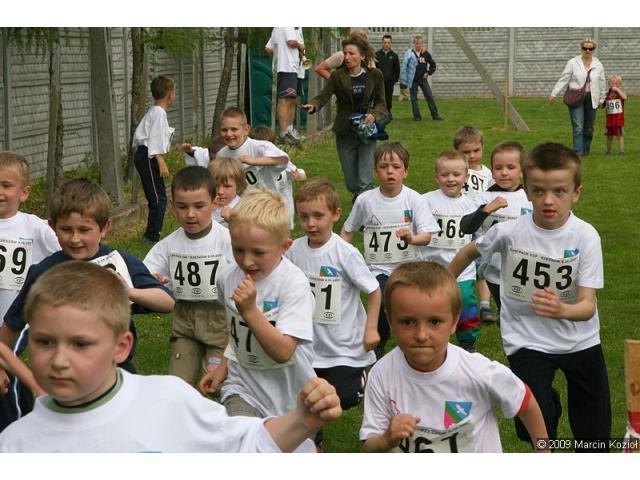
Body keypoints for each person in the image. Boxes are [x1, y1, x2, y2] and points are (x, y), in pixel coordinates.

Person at [0, 261, 342, 452]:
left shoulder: (168, 399)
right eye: (44, 342)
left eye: (80, 344)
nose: (59, 360)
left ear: (122, 347)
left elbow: (244, 447)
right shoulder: (16, 445)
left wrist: (303, 420)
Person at [448, 143, 611, 452]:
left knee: (595, 435)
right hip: (526, 339)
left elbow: (588, 306)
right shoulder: (510, 232)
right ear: (527, 190)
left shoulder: (586, 236)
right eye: (538, 191)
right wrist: (442, 286)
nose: (548, 200)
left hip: (580, 340)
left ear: (576, 192)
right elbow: (470, 251)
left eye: (559, 191)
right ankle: (548, 410)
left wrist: (562, 309)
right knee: (534, 425)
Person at [359, 261, 549, 453]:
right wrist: (386, 440)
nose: (421, 335)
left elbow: (524, 401)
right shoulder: (382, 374)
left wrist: (543, 451)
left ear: (454, 321)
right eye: (408, 322)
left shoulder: (479, 371)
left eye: (434, 322)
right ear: (390, 320)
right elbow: (369, 445)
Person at [0, 178, 175, 377]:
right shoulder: (44, 272)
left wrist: (128, 291)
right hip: (61, 370)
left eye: (84, 230)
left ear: (105, 227)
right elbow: (13, 324)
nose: (75, 239)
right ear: (52, 226)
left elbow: (167, 302)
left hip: (115, 368)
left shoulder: (120, 262)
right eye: (66, 229)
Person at [199, 190, 317, 451]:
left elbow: (284, 351)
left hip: (290, 394)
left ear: (285, 246)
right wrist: (222, 368)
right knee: (244, 448)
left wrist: (251, 311)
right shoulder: (227, 277)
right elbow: (234, 330)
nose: (247, 260)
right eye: (238, 249)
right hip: (243, 388)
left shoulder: (293, 284)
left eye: (258, 252)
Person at [286, 178, 381, 448]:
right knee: (309, 402)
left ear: (336, 214)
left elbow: (374, 290)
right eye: (304, 217)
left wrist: (371, 328)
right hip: (308, 345)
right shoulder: (293, 251)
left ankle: (359, 378)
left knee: (344, 398)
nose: (311, 224)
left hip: (343, 347)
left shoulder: (345, 253)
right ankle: (313, 445)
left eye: (318, 216)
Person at [340, 142, 439, 359]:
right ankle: (380, 340)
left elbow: (427, 235)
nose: (390, 172)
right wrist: (339, 254)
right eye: (384, 167)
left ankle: (413, 337)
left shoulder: (414, 199)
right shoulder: (365, 200)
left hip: (408, 268)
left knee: (409, 306)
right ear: (376, 171)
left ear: (406, 171)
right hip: (377, 268)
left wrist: (412, 238)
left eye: (396, 166)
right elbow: (348, 230)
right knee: (383, 301)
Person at [143, 166, 234, 386]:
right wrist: (155, 280)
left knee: (217, 385)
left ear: (214, 203)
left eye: (199, 206)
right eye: (182, 207)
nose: (190, 214)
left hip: (220, 324)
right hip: (185, 324)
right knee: (178, 385)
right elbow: (145, 274)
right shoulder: (168, 245)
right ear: (172, 205)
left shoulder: (228, 241)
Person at [0, 151, 60, 432]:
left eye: (6, 185)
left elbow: (67, 253)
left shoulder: (34, 227)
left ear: (24, 193)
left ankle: (16, 432)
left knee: (8, 374)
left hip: (18, 321)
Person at [303, 33, 387, 201]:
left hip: (367, 131)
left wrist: (373, 115)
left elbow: (381, 103)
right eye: (345, 53)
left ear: (362, 56)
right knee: (352, 183)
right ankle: (361, 195)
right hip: (345, 132)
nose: (347, 57)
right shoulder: (337, 75)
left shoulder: (375, 75)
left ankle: (365, 209)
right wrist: (314, 105)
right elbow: (324, 96)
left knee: (365, 181)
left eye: (351, 53)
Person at [460, 141, 532, 323]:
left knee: (523, 317)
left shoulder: (530, 198)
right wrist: (485, 210)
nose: (504, 172)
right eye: (498, 168)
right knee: (508, 317)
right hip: (494, 271)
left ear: (522, 171)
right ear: (492, 172)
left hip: (525, 269)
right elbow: (466, 227)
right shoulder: (484, 197)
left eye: (511, 167)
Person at [419, 151, 479, 353]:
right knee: (430, 305)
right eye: (445, 175)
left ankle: (468, 341)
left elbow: (478, 235)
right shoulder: (424, 201)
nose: (451, 179)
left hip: (463, 269)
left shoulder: (472, 205)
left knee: (466, 301)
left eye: (456, 174)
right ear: (436, 177)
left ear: (466, 177)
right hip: (431, 267)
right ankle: (430, 337)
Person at [215, 108, 293, 225]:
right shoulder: (221, 155)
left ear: (246, 129)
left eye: (234, 129)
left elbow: (283, 159)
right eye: (224, 130)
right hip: (244, 206)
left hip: (269, 204)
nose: (229, 134)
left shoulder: (259, 147)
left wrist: (254, 161)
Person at [454, 126, 495, 324]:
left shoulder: (488, 173)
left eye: (476, 150)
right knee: (463, 264)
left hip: (482, 226)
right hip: (462, 225)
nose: (471, 156)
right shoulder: (457, 172)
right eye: (466, 152)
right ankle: (457, 301)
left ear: (483, 148)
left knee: (483, 266)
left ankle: (485, 305)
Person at [132, 75, 176, 243]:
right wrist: (160, 160)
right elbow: (154, 138)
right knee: (158, 199)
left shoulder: (156, 112)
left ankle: (153, 233)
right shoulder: (158, 113)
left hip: (147, 155)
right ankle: (151, 237)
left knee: (159, 196)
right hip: (148, 156)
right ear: (170, 93)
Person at [549, 37, 606, 157]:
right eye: (585, 48)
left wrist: (602, 98)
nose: (587, 51)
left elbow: (602, 81)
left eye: (590, 48)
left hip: (592, 98)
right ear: (581, 48)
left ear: (594, 49)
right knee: (578, 126)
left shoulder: (598, 64)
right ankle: (578, 152)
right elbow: (564, 78)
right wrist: (554, 93)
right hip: (576, 97)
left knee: (589, 127)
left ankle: (586, 150)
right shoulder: (572, 62)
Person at [265, 27, 305, 146]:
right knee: (285, 100)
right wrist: (300, 46)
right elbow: (291, 42)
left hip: (294, 68)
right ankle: (284, 134)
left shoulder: (280, 27)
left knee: (292, 100)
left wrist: (279, 57)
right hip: (287, 67)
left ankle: (289, 130)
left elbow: (268, 48)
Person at [400, 35, 443, 121]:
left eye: (420, 43)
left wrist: (428, 73)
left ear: (422, 44)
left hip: (423, 79)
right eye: (417, 43)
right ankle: (417, 117)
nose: (418, 45)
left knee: (429, 96)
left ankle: (435, 115)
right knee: (413, 99)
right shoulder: (410, 54)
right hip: (413, 80)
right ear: (414, 44)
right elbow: (405, 66)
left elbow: (433, 65)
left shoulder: (426, 54)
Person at [208, 156, 246, 227]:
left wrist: (233, 220)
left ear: (238, 187)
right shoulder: (205, 204)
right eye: (216, 185)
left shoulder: (243, 208)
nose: (220, 192)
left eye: (227, 186)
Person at [375, 34, 400, 116]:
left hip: (389, 82)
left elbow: (397, 69)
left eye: (388, 42)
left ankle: (388, 113)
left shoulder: (394, 56)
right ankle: (380, 113)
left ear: (391, 44)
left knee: (388, 98)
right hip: (379, 82)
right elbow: (374, 69)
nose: (386, 44)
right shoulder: (376, 55)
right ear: (382, 43)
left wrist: (393, 80)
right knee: (379, 98)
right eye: (385, 42)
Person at [603, 74, 627, 155]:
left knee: (620, 136)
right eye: (612, 83)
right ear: (609, 84)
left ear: (619, 84)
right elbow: (602, 105)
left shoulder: (620, 94)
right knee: (609, 136)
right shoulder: (607, 95)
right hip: (609, 120)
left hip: (618, 120)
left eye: (616, 83)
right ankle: (609, 150)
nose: (614, 85)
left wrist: (618, 90)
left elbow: (625, 97)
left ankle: (621, 150)